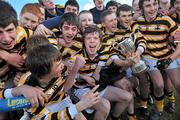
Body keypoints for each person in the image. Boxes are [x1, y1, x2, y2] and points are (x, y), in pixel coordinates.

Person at [21, 44, 100, 119]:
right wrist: (81, 105)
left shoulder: (60, 70)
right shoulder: (29, 93)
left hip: (61, 101)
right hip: (44, 113)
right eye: (58, 65)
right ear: (45, 72)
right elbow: (47, 118)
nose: (63, 65)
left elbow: (65, 88)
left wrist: (76, 67)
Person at [131, 0, 180, 119]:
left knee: (178, 85)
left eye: (154, 4)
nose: (152, 8)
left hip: (167, 55)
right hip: (149, 56)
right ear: (141, 8)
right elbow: (127, 22)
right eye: (148, 6)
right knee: (158, 85)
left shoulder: (166, 20)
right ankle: (159, 110)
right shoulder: (137, 21)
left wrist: (169, 59)